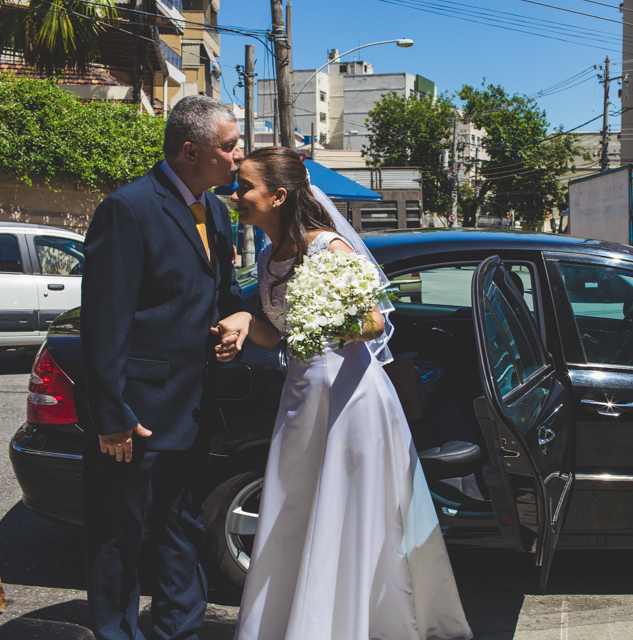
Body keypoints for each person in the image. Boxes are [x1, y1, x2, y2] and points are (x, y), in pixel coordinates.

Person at [213, 147, 472, 640]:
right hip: (301, 398)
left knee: (348, 512)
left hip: (349, 398)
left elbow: (373, 322)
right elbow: (280, 333)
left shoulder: (330, 248)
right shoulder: (269, 258)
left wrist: (321, 317)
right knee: (296, 510)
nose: (235, 195)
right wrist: (248, 320)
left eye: (244, 185)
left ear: (279, 194)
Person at [79, 95, 244, 640]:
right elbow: (105, 320)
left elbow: (221, 296)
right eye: (230, 146)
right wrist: (110, 413)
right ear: (192, 150)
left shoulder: (217, 211)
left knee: (182, 528)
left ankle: (179, 631)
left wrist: (237, 321)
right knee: (119, 536)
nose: (240, 156)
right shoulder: (129, 208)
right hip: (135, 416)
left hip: (193, 408)